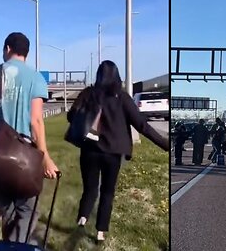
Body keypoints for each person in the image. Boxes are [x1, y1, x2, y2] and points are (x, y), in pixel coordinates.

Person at [0, 32, 59, 243]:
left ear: (8, 48)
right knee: (27, 210)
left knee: (7, 210)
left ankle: (9, 245)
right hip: (23, 158)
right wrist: (45, 157)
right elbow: (36, 121)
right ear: (26, 53)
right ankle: (18, 247)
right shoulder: (35, 77)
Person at [67, 60, 169, 241]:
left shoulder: (88, 94)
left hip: (90, 151)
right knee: (108, 191)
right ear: (117, 76)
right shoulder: (121, 98)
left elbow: (71, 116)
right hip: (113, 153)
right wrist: (165, 144)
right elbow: (142, 125)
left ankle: (82, 220)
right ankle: (100, 232)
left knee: (90, 189)